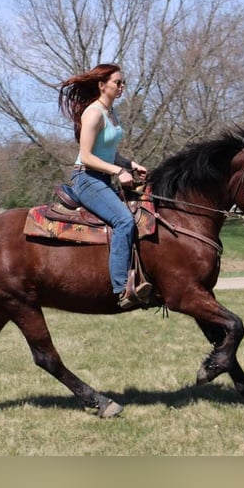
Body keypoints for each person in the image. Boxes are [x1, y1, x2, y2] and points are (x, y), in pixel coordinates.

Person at [58, 63, 152, 309]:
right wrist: (117, 171)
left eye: (123, 83)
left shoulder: (112, 114)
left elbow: (108, 152)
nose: (121, 87)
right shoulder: (94, 113)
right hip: (86, 178)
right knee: (124, 221)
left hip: (102, 177)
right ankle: (122, 290)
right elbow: (87, 155)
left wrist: (130, 164)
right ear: (102, 85)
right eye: (117, 83)